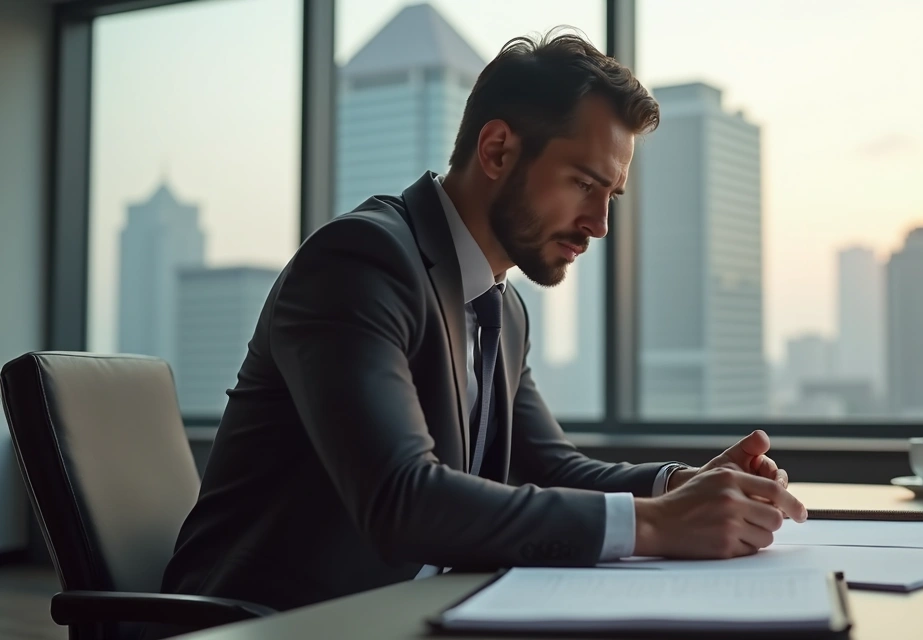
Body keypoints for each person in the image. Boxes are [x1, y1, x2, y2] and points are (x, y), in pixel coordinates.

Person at [159, 31, 807, 614]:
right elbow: (403, 500)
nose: (600, 224)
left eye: (610, 195)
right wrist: (657, 524)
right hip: (271, 624)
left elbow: (552, 468)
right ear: (497, 150)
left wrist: (681, 485)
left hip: (410, 610)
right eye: (584, 183)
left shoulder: (501, 306)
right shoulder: (359, 264)